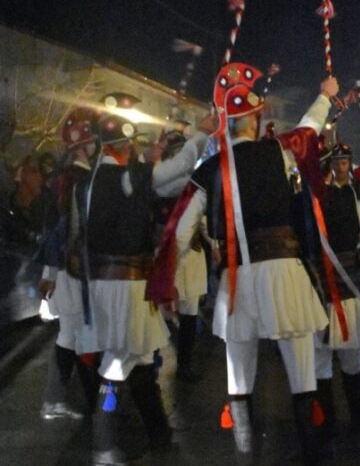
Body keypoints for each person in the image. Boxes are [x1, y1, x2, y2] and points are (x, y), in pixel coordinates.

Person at [148, 63, 338, 464]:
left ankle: (245, 456)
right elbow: (310, 128)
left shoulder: (207, 170)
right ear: (256, 118)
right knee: (303, 379)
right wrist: (326, 93)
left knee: (239, 380)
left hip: (238, 281)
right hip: (284, 272)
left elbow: (179, 232)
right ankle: (313, 456)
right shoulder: (279, 152)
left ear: (226, 125)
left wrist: (165, 282)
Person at [70, 92, 212, 465]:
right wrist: (201, 135)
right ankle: (104, 439)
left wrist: (190, 160)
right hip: (125, 287)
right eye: (130, 145)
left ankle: (157, 435)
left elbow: (167, 182)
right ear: (121, 147)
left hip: (112, 283)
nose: (134, 150)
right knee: (118, 365)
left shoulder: (97, 180)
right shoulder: (119, 177)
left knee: (143, 363)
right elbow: (167, 173)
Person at [36, 107, 101, 420]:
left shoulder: (62, 178)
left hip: (64, 269)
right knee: (75, 335)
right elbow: (63, 229)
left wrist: (48, 272)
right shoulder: (78, 178)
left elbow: (52, 230)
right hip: (75, 270)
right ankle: (80, 402)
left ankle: (60, 400)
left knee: (71, 334)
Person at [310, 142, 360, 434]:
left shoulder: (324, 197)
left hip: (330, 283)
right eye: (335, 162)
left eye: (343, 161)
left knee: (325, 360)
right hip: (333, 285)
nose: (340, 166)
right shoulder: (322, 198)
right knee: (345, 357)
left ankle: (332, 421)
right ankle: (355, 416)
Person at [151, 130, 209, 383]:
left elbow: (202, 219)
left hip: (191, 253)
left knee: (189, 311)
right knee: (157, 309)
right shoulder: (160, 181)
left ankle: (184, 363)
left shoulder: (192, 184)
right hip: (164, 252)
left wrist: (214, 244)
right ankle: (152, 356)